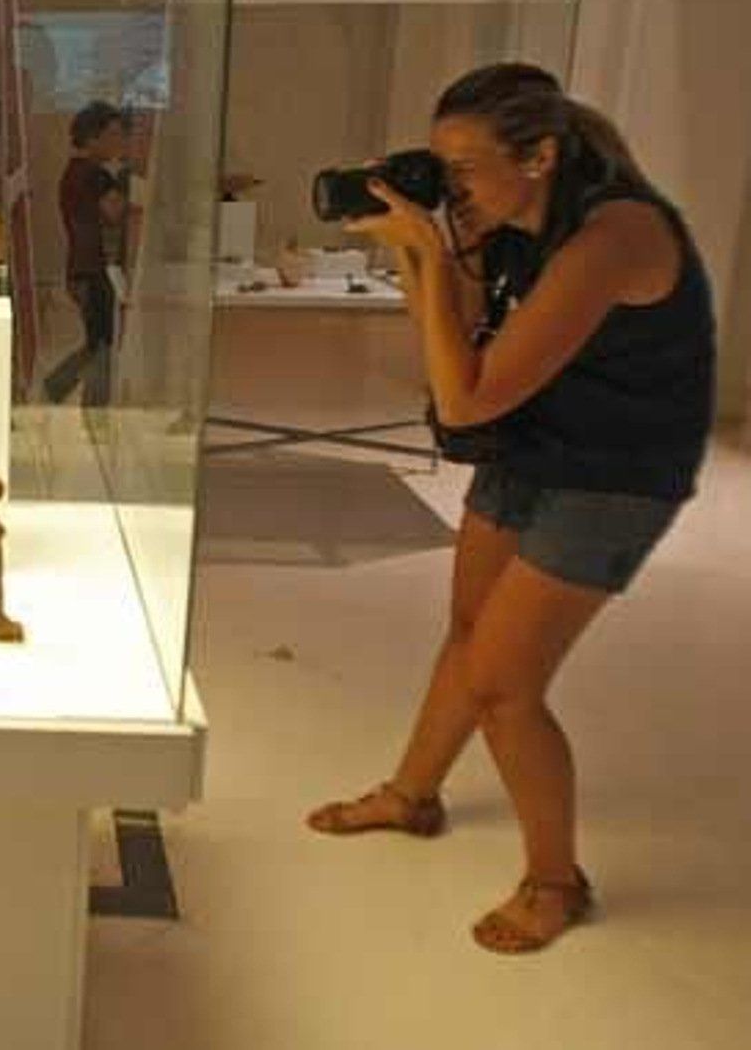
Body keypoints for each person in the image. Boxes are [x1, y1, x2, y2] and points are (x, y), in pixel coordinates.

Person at [305, 63, 716, 954]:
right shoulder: (509, 224)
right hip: (533, 445)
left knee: (504, 685)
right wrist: (431, 249)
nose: (451, 187)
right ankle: (411, 797)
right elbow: (452, 347)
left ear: (539, 156)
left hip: (612, 475)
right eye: (442, 167)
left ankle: (555, 882)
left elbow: (464, 402)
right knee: (466, 630)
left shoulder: (613, 236)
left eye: (464, 170)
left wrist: (428, 248)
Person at [44, 100, 129, 407]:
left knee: (98, 341)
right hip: (93, 271)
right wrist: (126, 179)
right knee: (103, 345)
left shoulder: (73, 171)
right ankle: (93, 411)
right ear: (92, 138)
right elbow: (114, 213)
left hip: (82, 269)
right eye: (113, 134)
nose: (119, 141)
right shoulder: (94, 175)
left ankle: (56, 388)